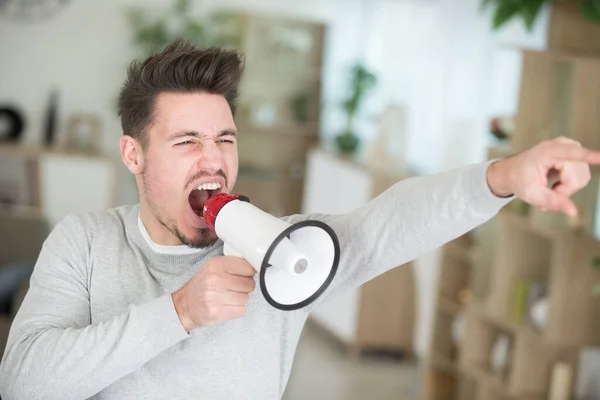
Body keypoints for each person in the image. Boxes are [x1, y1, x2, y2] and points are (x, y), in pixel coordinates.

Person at [0, 38, 598, 400]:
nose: (213, 159)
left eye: (224, 139)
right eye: (186, 141)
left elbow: (394, 221)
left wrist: (503, 177)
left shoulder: (284, 252)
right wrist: (179, 313)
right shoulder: (83, 242)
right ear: (134, 154)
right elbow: (23, 382)